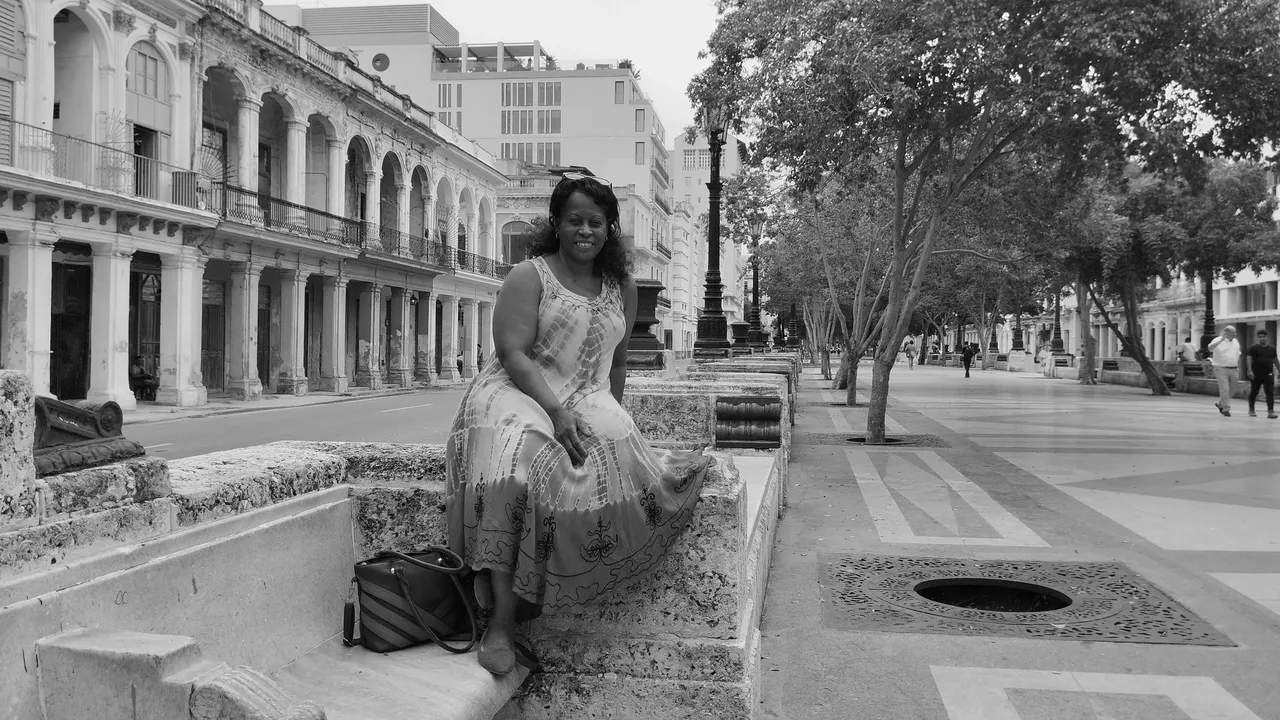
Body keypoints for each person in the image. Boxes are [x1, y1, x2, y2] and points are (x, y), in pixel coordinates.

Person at [445, 174, 713, 676]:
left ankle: (539, 587)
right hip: (517, 390)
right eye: (575, 220)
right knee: (517, 463)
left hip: (586, 393)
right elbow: (512, 353)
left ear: (610, 228)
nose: (585, 230)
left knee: (621, 465)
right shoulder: (529, 275)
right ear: (557, 224)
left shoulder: (622, 287)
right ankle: (501, 619)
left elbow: (616, 365)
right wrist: (555, 411)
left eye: (596, 222)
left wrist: (616, 419)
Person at [1208, 325, 1242, 417]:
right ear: (1226, 333)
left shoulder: (1235, 342)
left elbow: (1238, 354)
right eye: (1233, 332)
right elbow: (1210, 348)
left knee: (1233, 389)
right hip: (1220, 367)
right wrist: (1221, 340)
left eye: (1235, 332)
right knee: (1224, 389)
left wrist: (1238, 366)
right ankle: (1226, 409)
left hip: (1234, 368)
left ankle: (1220, 403)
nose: (1235, 334)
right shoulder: (1217, 340)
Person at [1244, 329, 1279, 419]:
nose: (1262, 338)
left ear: (1266, 337)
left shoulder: (1272, 349)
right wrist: (1249, 371)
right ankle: (1251, 409)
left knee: (1270, 393)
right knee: (1254, 392)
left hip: (1268, 374)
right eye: (1260, 337)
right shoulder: (1254, 348)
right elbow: (1249, 359)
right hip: (1256, 374)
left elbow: (1275, 360)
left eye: (1263, 337)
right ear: (1258, 338)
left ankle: (1270, 411)